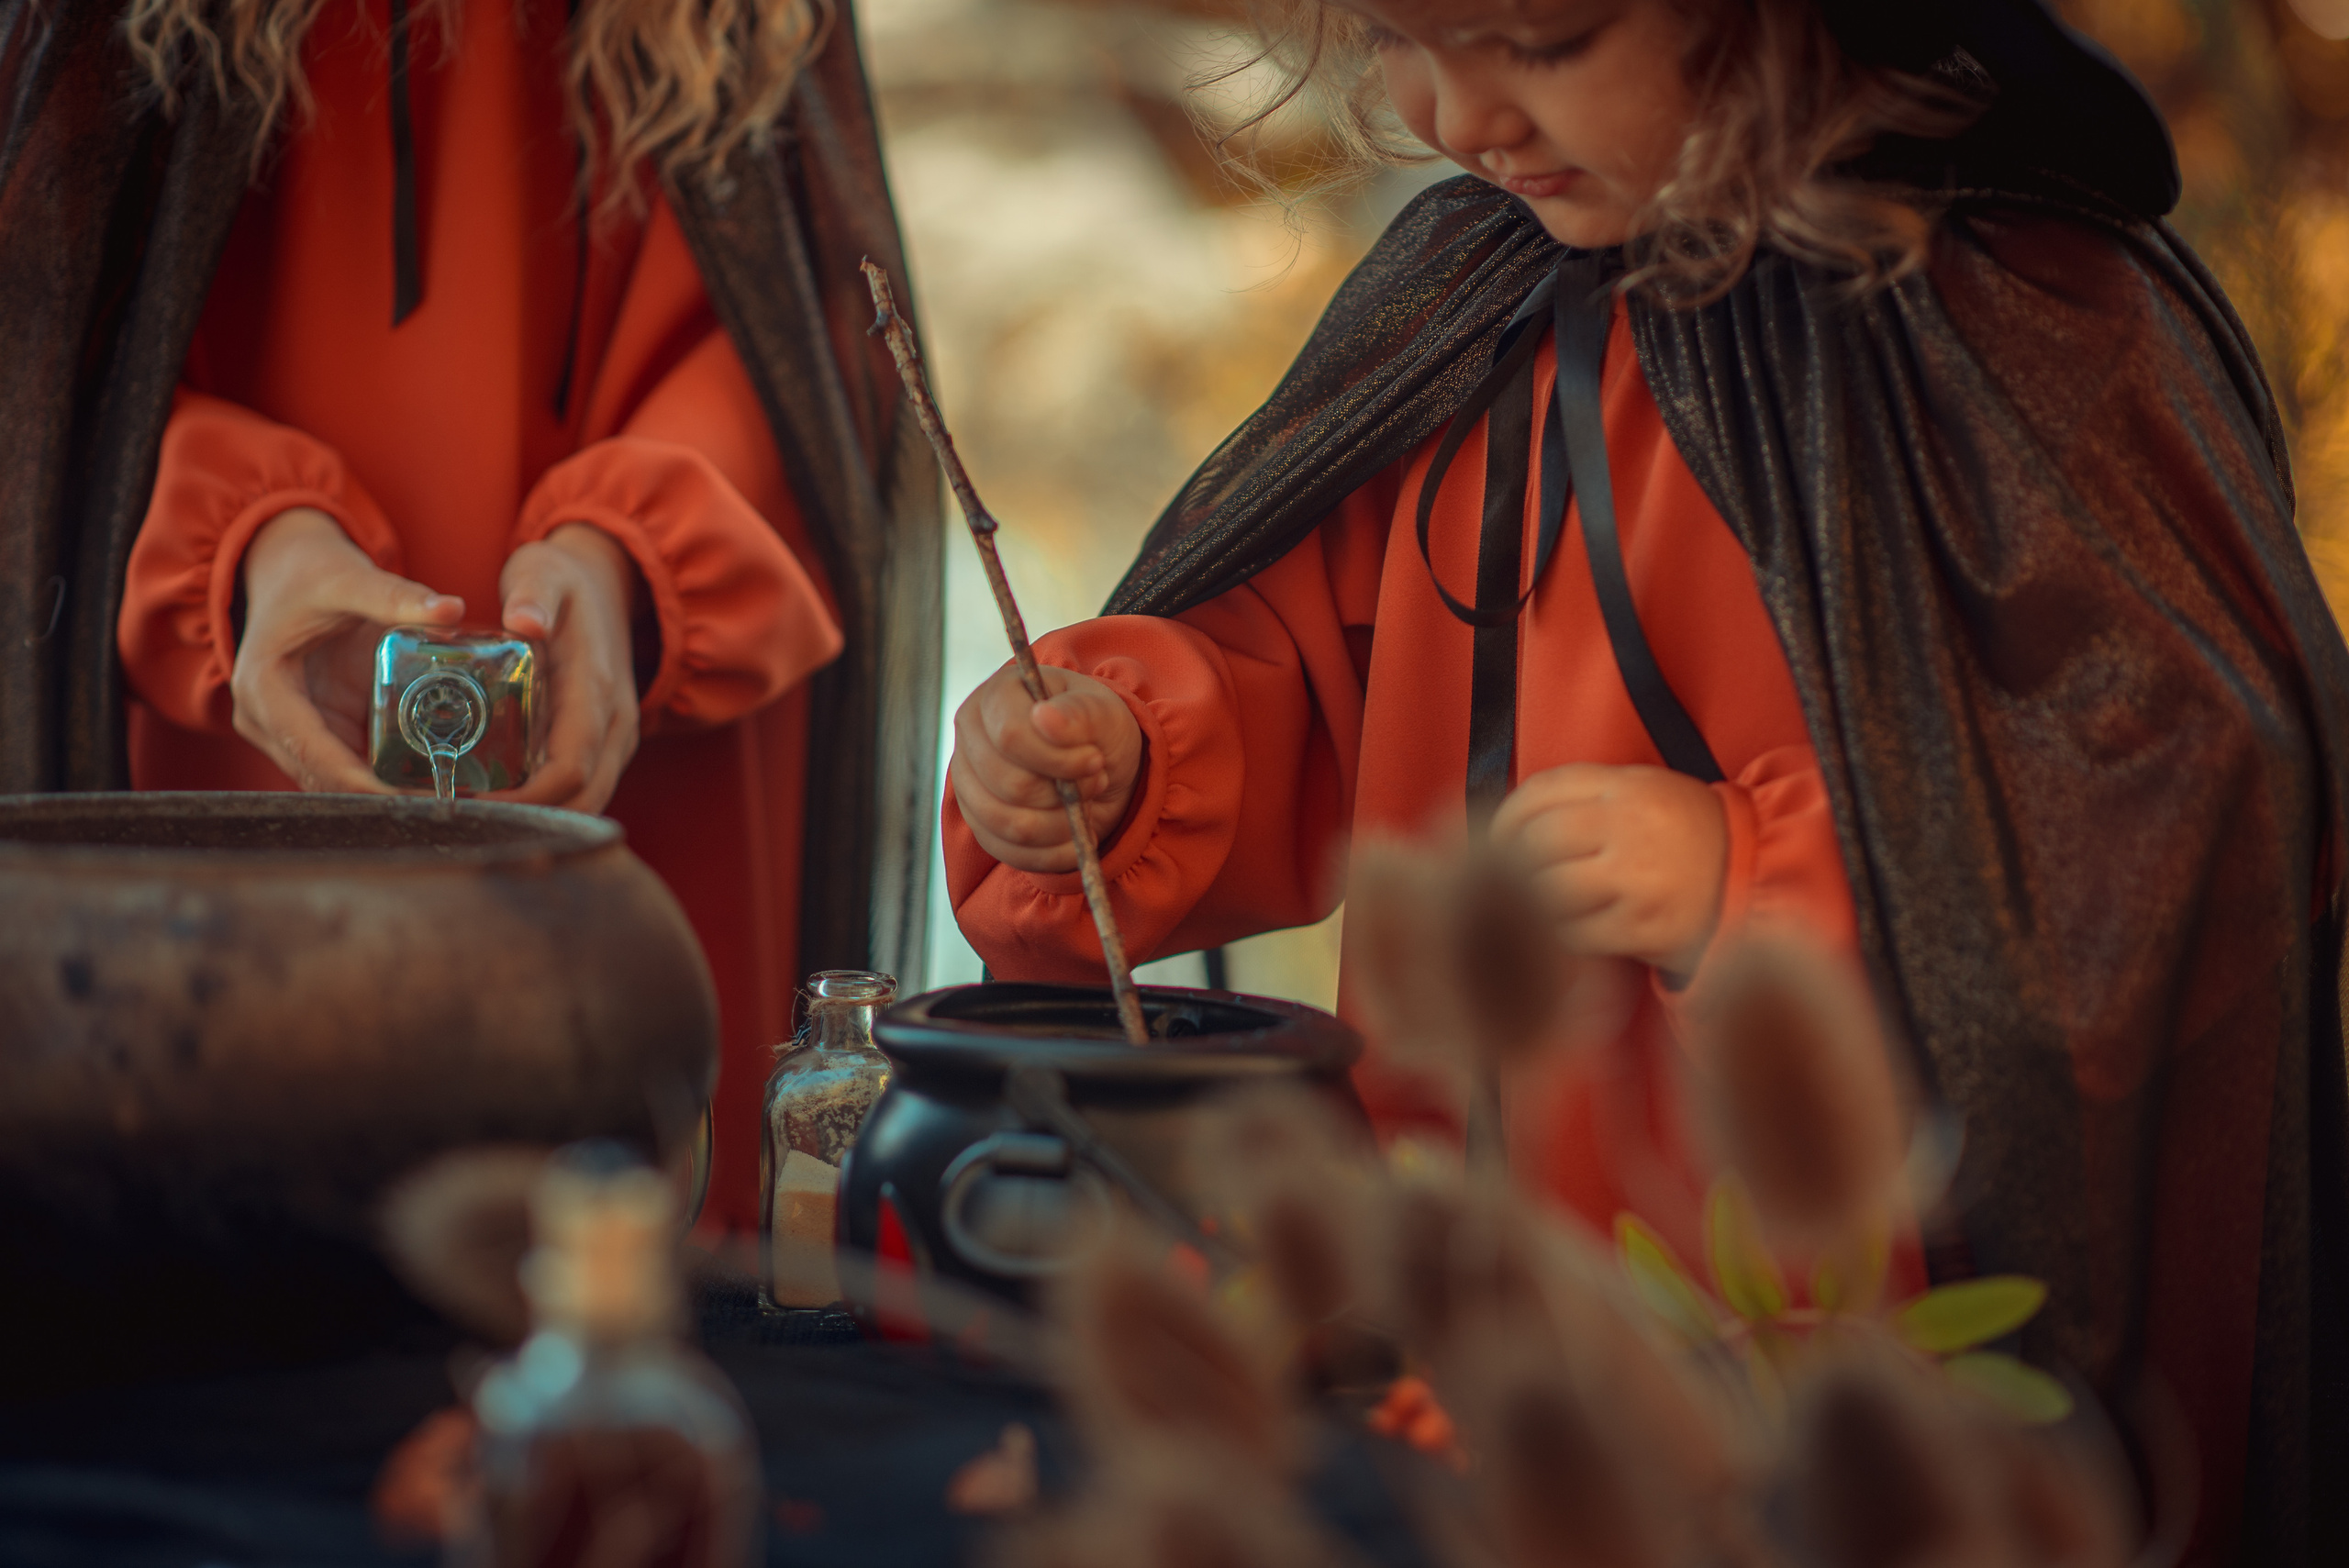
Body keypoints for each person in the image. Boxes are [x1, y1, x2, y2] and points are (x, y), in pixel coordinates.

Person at [944, 0, 2349, 1556]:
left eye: (1538, 46)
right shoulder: (1474, 292)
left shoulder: (2024, 315)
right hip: (1476, 1317)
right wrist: (1128, 750)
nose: (1455, 114)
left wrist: (1757, 879)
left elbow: (2187, 782)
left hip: (1840, 1339)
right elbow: (1314, 673)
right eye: (1400, 39)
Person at [0, 0, 941, 1235]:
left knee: (627, 1272)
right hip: (246, 749)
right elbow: (42, 338)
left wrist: (631, 560)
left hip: (643, 742)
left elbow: (817, 340)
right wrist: (238, 545)